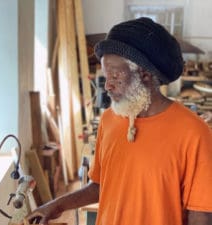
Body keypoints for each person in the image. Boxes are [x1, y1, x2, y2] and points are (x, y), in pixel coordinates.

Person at [26, 17, 212, 225]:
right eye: (106, 77)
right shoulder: (109, 120)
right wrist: (55, 206)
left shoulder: (194, 132)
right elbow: (99, 186)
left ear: (144, 75)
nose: (107, 86)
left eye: (114, 76)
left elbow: (200, 215)